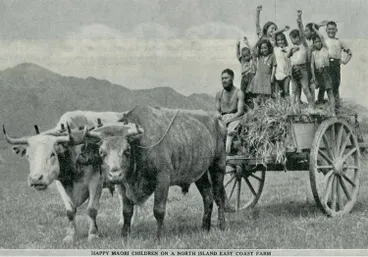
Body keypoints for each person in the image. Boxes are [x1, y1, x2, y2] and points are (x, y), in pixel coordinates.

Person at [287, 10, 315, 111]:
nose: (291, 41)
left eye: (292, 39)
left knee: (305, 88)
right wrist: (291, 50)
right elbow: (288, 56)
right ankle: (292, 106)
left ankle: (311, 106)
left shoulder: (304, 45)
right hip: (294, 69)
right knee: (294, 89)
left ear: (298, 38)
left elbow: (302, 34)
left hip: (303, 69)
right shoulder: (293, 47)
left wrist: (299, 20)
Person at [215, 69, 245, 154]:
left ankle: (227, 157)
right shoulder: (219, 94)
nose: (224, 80)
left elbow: (240, 112)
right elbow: (217, 111)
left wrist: (228, 120)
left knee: (229, 135)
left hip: (235, 118)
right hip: (223, 118)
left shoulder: (239, 93)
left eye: (226, 78)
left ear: (232, 78)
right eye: (222, 78)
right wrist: (220, 117)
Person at [325, 21, 352, 106]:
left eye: (333, 29)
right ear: (326, 30)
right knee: (326, 86)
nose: (331, 31)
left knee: (336, 85)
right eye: (329, 29)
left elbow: (349, 52)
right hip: (326, 65)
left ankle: (336, 104)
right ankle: (326, 103)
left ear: (336, 30)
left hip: (336, 65)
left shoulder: (339, 41)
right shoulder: (324, 41)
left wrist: (345, 61)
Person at [310, 25, 336, 115]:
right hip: (318, 72)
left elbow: (321, 36)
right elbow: (312, 65)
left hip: (326, 71)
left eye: (319, 42)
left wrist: (314, 29)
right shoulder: (313, 53)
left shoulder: (325, 49)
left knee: (329, 90)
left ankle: (333, 111)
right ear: (313, 43)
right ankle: (320, 108)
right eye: (316, 42)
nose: (318, 43)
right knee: (321, 89)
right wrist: (314, 76)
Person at [236, 37, 256, 108]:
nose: (245, 57)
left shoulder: (252, 60)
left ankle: (249, 93)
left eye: (247, 55)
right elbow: (238, 55)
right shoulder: (242, 61)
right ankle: (243, 104)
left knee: (249, 93)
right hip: (244, 77)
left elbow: (253, 52)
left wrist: (247, 43)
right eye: (243, 56)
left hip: (251, 76)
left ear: (249, 55)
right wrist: (238, 46)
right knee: (242, 92)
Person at [274, 31, 291, 99]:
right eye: (278, 40)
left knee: (286, 91)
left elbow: (290, 60)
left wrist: (286, 51)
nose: (280, 41)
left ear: (284, 40)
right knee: (278, 93)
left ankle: (288, 107)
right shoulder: (275, 49)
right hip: (277, 73)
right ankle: (280, 108)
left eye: (282, 39)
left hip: (286, 73)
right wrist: (283, 29)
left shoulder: (287, 48)